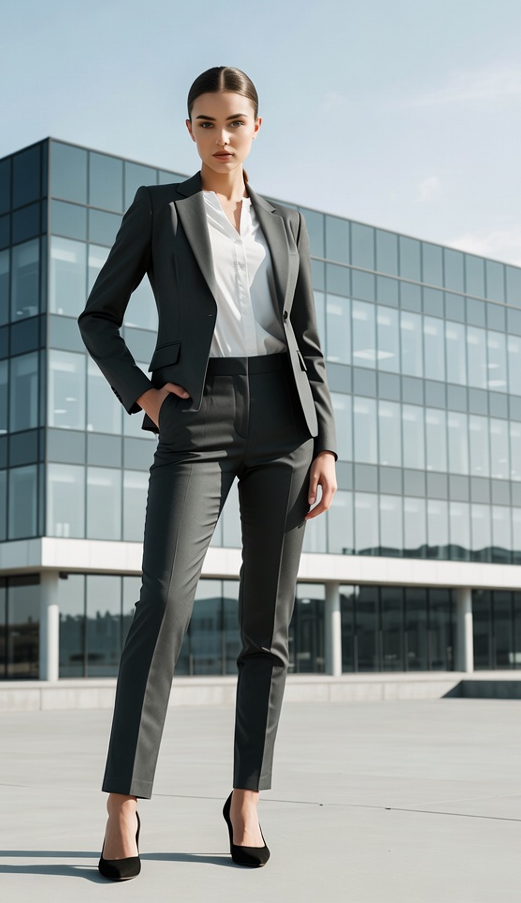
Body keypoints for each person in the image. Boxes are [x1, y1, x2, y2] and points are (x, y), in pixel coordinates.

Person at [78, 65, 337, 881]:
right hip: (197, 414)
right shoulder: (160, 210)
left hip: (284, 425)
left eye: (234, 121)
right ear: (188, 131)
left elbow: (307, 340)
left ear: (257, 126)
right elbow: (97, 316)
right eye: (204, 123)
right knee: (163, 600)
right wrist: (144, 397)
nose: (221, 136)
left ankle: (246, 796)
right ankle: (125, 803)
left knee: (268, 623)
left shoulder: (287, 223)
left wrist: (325, 441)